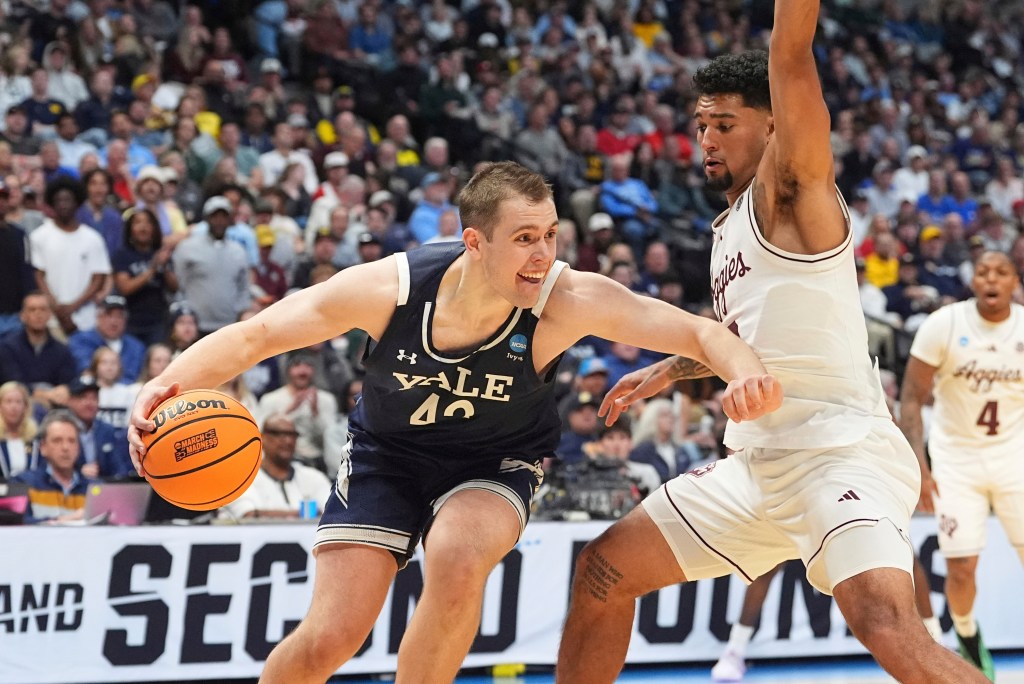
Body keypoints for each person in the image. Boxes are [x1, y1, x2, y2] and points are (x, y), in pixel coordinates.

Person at [127, 161, 782, 683]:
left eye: (551, 234)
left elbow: (699, 332)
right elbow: (259, 334)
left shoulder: (567, 299)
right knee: (330, 638)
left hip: (493, 463)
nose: (543, 254)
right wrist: (162, 386)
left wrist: (744, 372)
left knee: (459, 557)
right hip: (387, 455)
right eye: (524, 238)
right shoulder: (390, 289)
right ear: (474, 242)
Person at [555, 5, 986, 682]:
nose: (707, 139)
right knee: (601, 572)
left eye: (725, 124)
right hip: (758, 466)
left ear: (774, 125)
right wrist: (672, 369)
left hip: (840, 453)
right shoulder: (728, 228)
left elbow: (790, 54)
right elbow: (750, 336)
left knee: (884, 623)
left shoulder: (792, 191)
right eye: (701, 125)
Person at [898, 250, 1024, 681]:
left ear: (1014, 282)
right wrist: (920, 466)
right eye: (983, 271)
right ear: (973, 280)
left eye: (1001, 272)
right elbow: (911, 397)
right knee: (962, 567)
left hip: (1014, 458)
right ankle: (968, 636)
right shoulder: (945, 324)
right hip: (956, 461)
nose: (991, 278)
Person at [220, 414, 333, 520]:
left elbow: (334, 514)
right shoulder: (242, 478)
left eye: (292, 435)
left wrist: (264, 514)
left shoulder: (314, 477)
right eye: (279, 434)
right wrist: (311, 514)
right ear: (262, 438)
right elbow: (249, 515)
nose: (288, 441)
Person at [12, 411, 88, 524]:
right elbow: (17, 524)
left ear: (78, 448)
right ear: (43, 447)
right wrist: (60, 521)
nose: (65, 447)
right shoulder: (23, 483)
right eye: (57, 441)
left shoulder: (93, 489)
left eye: (72, 441)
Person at [0, 381, 39, 480]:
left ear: (25, 407)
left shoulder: (35, 440)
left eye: (18, 402)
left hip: (30, 488)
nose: (14, 407)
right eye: (8, 401)